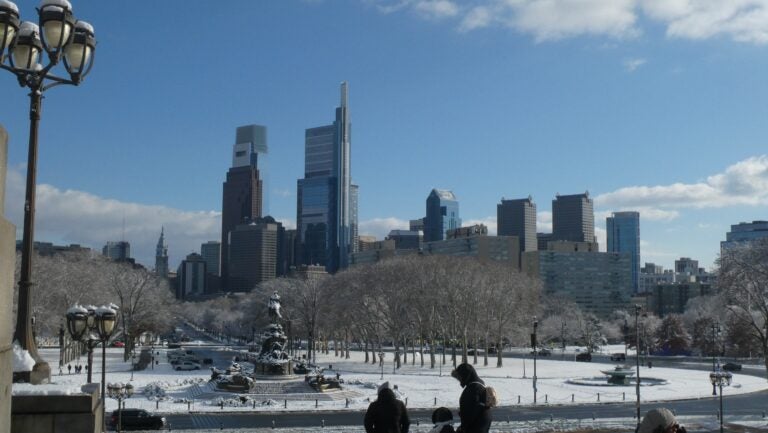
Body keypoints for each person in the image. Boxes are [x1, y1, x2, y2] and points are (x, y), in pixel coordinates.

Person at [451, 363, 492, 433]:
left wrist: (463, 428)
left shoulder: (473, 389)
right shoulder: (480, 384)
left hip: (475, 428)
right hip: (481, 426)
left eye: (460, 377)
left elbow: (471, 412)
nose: (459, 380)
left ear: (465, 376)